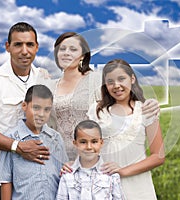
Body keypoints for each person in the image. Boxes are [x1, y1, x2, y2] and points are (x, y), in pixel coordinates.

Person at [0, 22, 50, 200]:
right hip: (6, 180)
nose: (24, 51)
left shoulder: (43, 78)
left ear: (36, 47)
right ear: (8, 47)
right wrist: (18, 147)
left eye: (29, 44)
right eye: (18, 44)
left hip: (41, 178)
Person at [52, 32, 160, 161]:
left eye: (73, 49)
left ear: (83, 56)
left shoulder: (97, 79)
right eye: (62, 49)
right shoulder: (49, 85)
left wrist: (150, 103)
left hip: (93, 159)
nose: (66, 53)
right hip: (58, 158)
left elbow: (123, 96)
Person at [87, 59, 165, 199]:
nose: (116, 85)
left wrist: (122, 171)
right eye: (110, 81)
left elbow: (158, 156)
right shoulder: (97, 110)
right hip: (104, 185)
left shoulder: (146, 110)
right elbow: (86, 147)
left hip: (138, 187)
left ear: (132, 79)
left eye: (121, 79)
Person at [0, 85, 68, 200]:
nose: (41, 114)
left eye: (47, 109)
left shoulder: (55, 138)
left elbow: (64, 175)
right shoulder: (11, 138)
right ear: (24, 106)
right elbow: (6, 180)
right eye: (36, 108)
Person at [56, 119, 125, 200]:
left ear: (101, 143)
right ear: (75, 143)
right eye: (83, 142)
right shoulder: (67, 175)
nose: (89, 147)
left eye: (94, 141)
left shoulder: (111, 175)